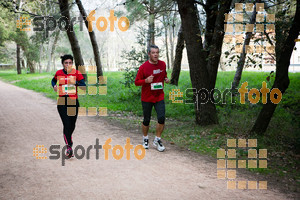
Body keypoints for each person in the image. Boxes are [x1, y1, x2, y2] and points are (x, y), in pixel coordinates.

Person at [135, 45, 170, 152]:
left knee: (161, 118)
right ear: (149, 54)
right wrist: (145, 81)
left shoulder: (162, 64)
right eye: (153, 53)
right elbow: (136, 82)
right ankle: (145, 138)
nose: (156, 54)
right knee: (146, 119)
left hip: (159, 96)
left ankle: (157, 139)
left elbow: (164, 75)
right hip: (147, 97)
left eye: (157, 52)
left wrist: (166, 79)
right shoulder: (143, 67)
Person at [51, 54, 86, 158]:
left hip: (73, 101)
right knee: (66, 124)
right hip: (62, 101)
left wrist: (75, 83)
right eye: (66, 62)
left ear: (72, 63)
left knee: (72, 124)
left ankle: (69, 141)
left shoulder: (77, 73)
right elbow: (53, 80)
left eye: (70, 62)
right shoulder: (59, 73)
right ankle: (69, 147)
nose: (68, 64)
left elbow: (83, 86)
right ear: (62, 64)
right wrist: (54, 85)